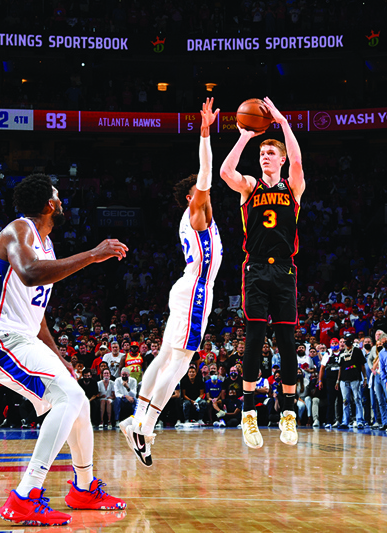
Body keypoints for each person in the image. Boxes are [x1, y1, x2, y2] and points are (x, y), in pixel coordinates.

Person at [0, 174, 128, 526]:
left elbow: (37, 319)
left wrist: (59, 359)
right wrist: (93, 255)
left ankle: (84, 488)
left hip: (21, 337)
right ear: (48, 204)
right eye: (57, 196)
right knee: (67, 398)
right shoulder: (19, 230)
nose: (61, 201)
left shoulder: (47, 244)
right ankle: (25, 495)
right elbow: (28, 273)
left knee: (78, 401)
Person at [120, 98, 222, 467]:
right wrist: (206, 131)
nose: (208, 192)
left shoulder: (200, 215)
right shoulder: (195, 212)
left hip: (193, 291)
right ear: (190, 196)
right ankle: (141, 424)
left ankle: (139, 423)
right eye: (201, 190)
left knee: (169, 360)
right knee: (176, 362)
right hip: (194, 290)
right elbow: (206, 173)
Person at [220, 96, 305, 448]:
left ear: (281, 160)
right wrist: (244, 137)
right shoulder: (250, 186)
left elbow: (299, 160)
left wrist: (283, 124)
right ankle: (249, 415)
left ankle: (288, 414)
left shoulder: (292, 186)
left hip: (285, 271)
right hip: (254, 269)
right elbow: (226, 173)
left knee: (286, 343)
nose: (265, 157)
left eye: (271, 154)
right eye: (262, 154)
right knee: (254, 339)